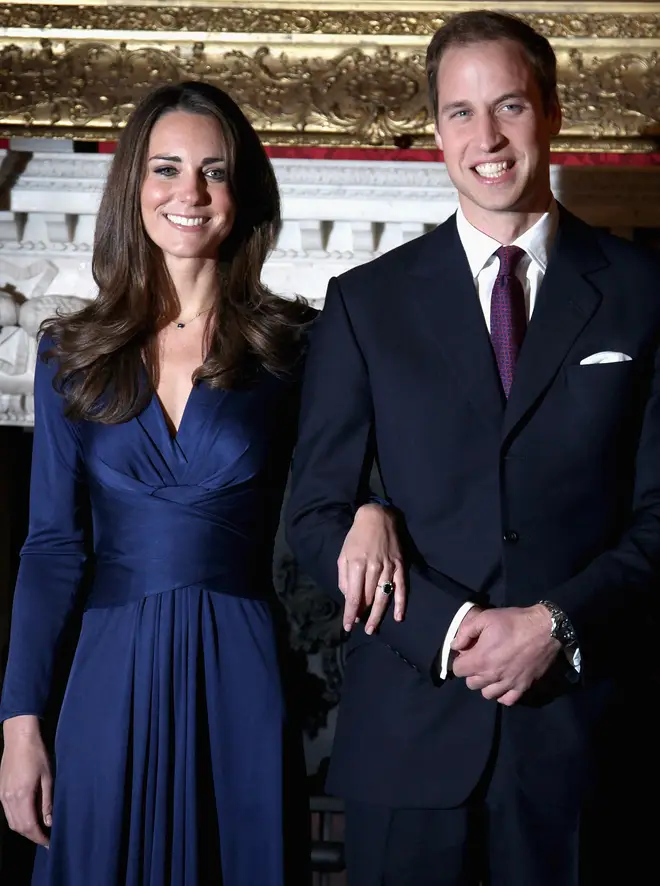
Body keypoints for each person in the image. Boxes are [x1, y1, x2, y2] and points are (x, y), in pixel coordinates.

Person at [287, 10, 660, 886]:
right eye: (460, 112)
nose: (485, 137)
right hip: (409, 744)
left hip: (583, 747)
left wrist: (555, 623)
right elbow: (313, 517)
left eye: (509, 107)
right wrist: (451, 628)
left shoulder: (643, 294)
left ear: (555, 113)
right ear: (435, 131)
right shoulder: (364, 303)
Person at [0, 81, 400, 886]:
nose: (190, 192)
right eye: (167, 169)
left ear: (241, 191)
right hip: (105, 677)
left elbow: (356, 470)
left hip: (241, 669)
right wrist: (20, 724)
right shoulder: (68, 355)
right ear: (133, 189)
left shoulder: (293, 348)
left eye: (213, 171)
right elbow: (51, 548)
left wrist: (374, 506)